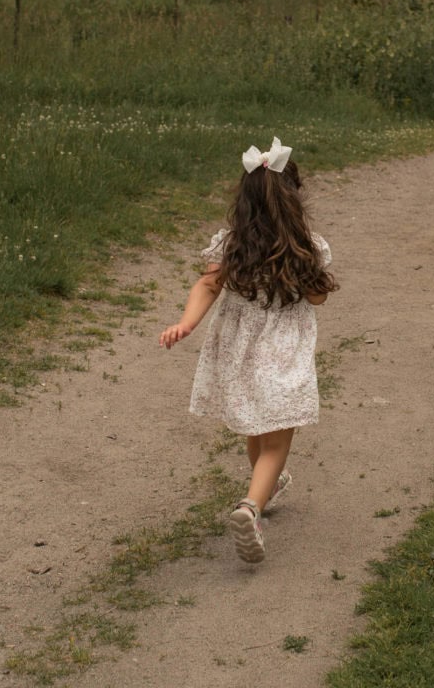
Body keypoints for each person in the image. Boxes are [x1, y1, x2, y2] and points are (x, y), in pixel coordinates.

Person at [159, 136, 337, 564]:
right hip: (283, 352)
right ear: (293, 199)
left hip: (239, 349)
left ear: (244, 200)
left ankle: (266, 486)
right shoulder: (306, 246)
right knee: (278, 440)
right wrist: (305, 269)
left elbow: (208, 285)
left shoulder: (232, 243)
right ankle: (250, 508)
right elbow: (317, 298)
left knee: (257, 430)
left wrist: (186, 323)